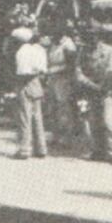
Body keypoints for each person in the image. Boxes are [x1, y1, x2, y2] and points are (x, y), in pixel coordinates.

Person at [74, 21, 112, 165]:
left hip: (106, 90)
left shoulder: (109, 50)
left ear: (99, 36)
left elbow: (111, 70)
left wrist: (103, 86)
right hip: (90, 90)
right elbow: (78, 71)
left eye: (94, 35)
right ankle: (98, 150)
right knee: (93, 122)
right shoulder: (83, 51)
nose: (91, 38)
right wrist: (90, 85)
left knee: (108, 122)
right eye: (88, 35)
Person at [13, 27, 48, 159]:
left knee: (24, 117)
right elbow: (43, 70)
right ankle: (41, 148)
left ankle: (24, 149)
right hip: (37, 82)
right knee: (37, 116)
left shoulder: (21, 52)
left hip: (25, 83)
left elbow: (22, 71)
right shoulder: (39, 50)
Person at [42, 21, 78, 149]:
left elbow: (71, 66)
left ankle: (67, 138)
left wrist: (55, 70)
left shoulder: (68, 45)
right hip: (52, 79)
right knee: (52, 108)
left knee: (64, 108)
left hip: (63, 79)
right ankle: (55, 135)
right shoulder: (53, 44)